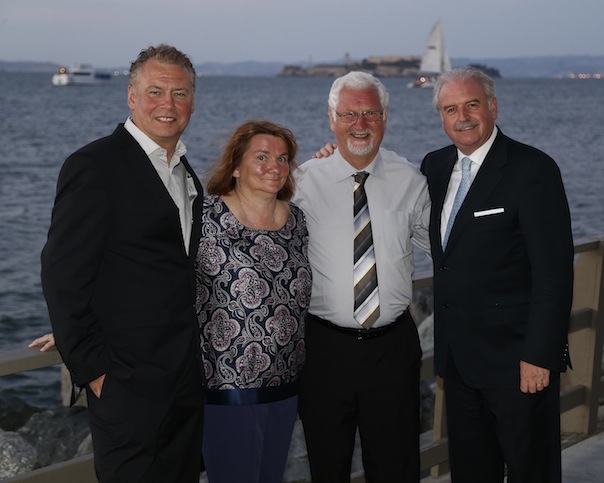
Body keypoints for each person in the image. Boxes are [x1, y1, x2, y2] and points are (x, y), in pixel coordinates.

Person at [40, 44, 205, 482]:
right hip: (127, 388)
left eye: (180, 93)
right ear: (131, 97)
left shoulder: (184, 172)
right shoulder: (93, 166)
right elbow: (62, 277)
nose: (168, 105)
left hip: (185, 383)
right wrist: (95, 373)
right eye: (155, 91)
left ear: (193, 99)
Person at [420, 66, 573, 482]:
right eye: (451, 109)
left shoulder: (532, 169)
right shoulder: (433, 167)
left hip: (517, 364)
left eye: (472, 105)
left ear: (492, 106)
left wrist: (539, 355)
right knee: (472, 473)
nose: (462, 117)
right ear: (441, 117)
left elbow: (553, 274)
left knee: (531, 471)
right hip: (458, 363)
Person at [293, 71, 431, 482]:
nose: (360, 123)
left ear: (385, 116)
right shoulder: (301, 182)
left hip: (392, 348)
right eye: (349, 114)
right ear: (331, 118)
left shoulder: (411, 180)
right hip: (324, 350)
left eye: (370, 112)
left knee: (396, 465)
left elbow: (445, 248)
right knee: (327, 464)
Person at [196, 120, 311, 482]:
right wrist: (95, 321)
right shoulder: (205, 217)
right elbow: (153, 277)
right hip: (228, 388)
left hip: (286, 384)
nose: (274, 167)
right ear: (234, 166)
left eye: (282, 158)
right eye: (261, 157)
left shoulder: (297, 221)